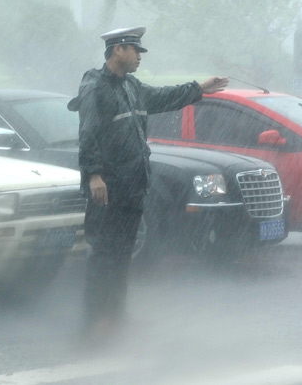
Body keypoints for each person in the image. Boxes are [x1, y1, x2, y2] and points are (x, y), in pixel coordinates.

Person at [67, 26, 228, 342]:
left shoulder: (131, 87)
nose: (140, 57)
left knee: (122, 255)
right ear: (117, 50)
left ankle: (115, 316)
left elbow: (164, 96)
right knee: (104, 255)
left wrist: (199, 88)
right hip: (108, 188)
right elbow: (88, 134)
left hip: (131, 187)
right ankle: (94, 323)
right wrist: (94, 175)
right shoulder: (95, 88)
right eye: (135, 51)